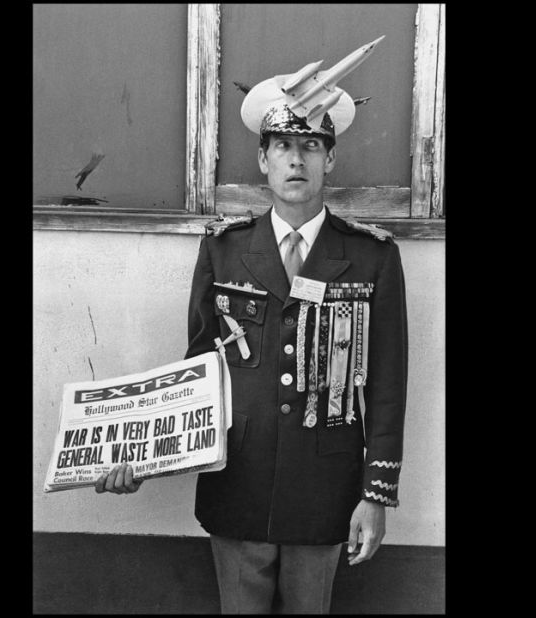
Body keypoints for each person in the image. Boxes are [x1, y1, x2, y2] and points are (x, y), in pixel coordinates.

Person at [97, 39, 407, 614]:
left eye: (311, 146)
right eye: (283, 146)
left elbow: (387, 390)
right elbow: (197, 373)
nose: (297, 159)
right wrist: (143, 455)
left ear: (330, 159)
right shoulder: (224, 249)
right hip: (236, 482)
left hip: (324, 490)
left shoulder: (372, 259)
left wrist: (375, 493)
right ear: (262, 159)